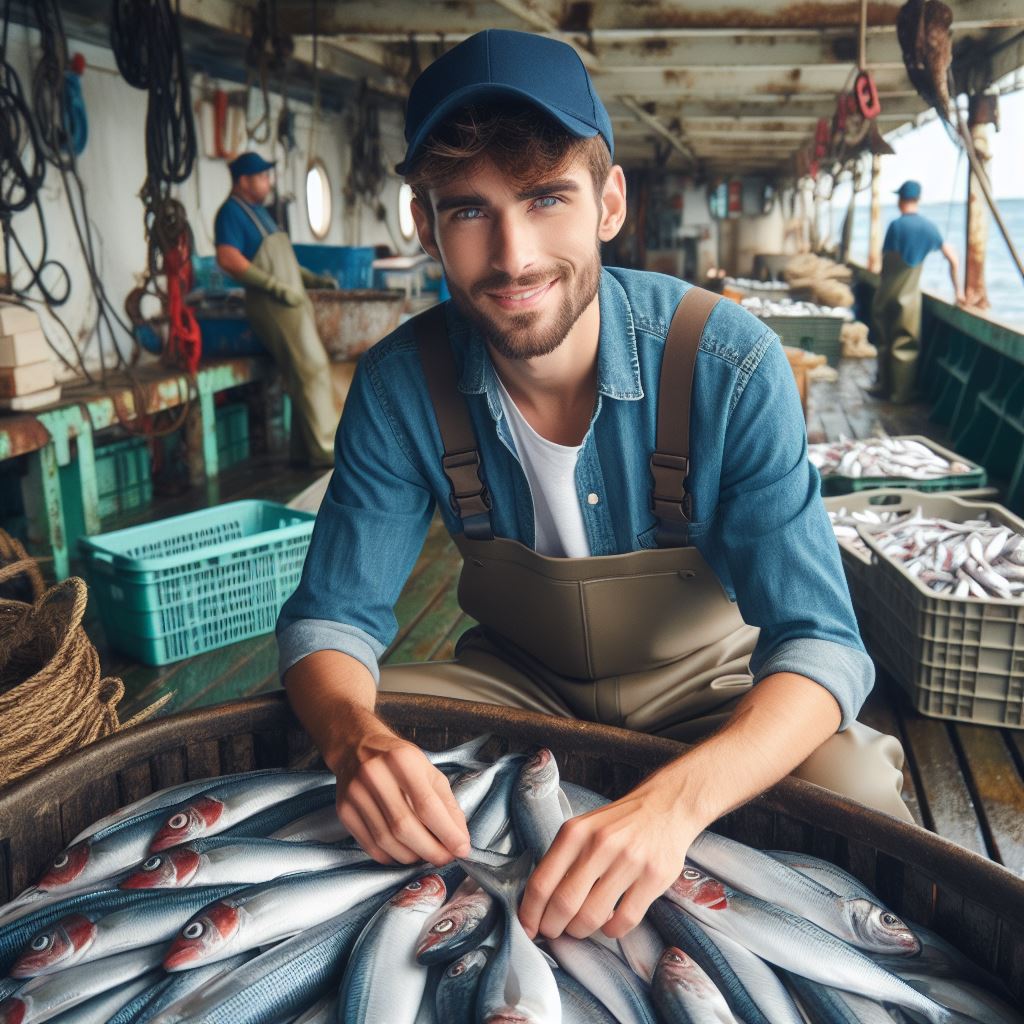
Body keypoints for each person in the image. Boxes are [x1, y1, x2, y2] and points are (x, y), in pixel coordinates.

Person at [277, 29, 912, 945]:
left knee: (855, 790)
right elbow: (333, 619)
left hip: (707, 688)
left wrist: (672, 806)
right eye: (468, 211)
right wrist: (354, 740)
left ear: (609, 200)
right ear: (424, 227)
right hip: (513, 682)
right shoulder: (394, 385)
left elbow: (822, 642)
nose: (513, 256)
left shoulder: (728, 363)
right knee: (330, 757)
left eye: (546, 198)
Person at [214, 152, 339, 467]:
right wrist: (272, 285)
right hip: (272, 304)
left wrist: (309, 277)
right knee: (312, 368)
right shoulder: (230, 213)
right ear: (244, 180)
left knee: (303, 374)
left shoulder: (261, 213)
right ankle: (326, 450)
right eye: (263, 176)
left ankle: (303, 452)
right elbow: (228, 258)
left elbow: (283, 258)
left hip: (293, 300)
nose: (268, 182)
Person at [869, 180, 965, 404]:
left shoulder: (895, 226)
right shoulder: (929, 228)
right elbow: (953, 258)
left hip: (884, 295)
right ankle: (899, 395)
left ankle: (883, 387)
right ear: (918, 199)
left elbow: (885, 263)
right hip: (909, 297)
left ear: (901, 200)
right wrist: (958, 291)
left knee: (884, 342)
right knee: (905, 345)